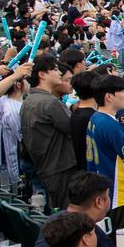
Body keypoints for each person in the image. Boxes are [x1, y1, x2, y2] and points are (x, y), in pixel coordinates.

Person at [21, 54, 79, 208]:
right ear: (42, 74)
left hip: (46, 167)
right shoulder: (49, 102)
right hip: (60, 168)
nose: (59, 73)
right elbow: (72, 129)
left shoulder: (29, 100)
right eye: (54, 69)